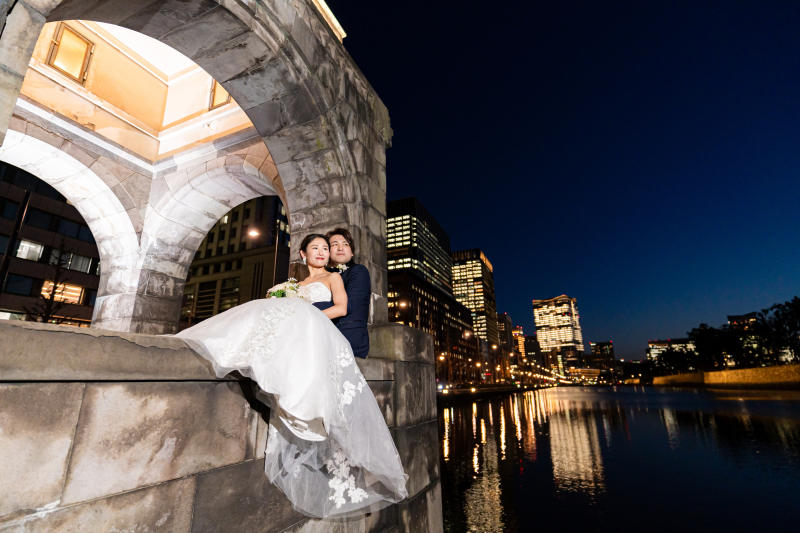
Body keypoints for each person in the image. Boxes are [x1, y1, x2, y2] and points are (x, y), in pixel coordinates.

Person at [175, 234, 407, 519]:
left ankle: (301, 404)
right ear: (302, 254)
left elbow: (342, 308)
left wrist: (304, 311)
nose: (322, 252)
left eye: (326, 248)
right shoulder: (294, 285)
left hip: (317, 328)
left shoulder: (334, 278)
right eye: (316, 248)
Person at [312, 228, 371, 359]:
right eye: (334, 244)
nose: (340, 248)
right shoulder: (323, 276)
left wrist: (308, 310)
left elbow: (347, 305)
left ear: (352, 253)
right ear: (327, 252)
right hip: (323, 334)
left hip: (348, 337)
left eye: (345, 244)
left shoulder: (358, 271)